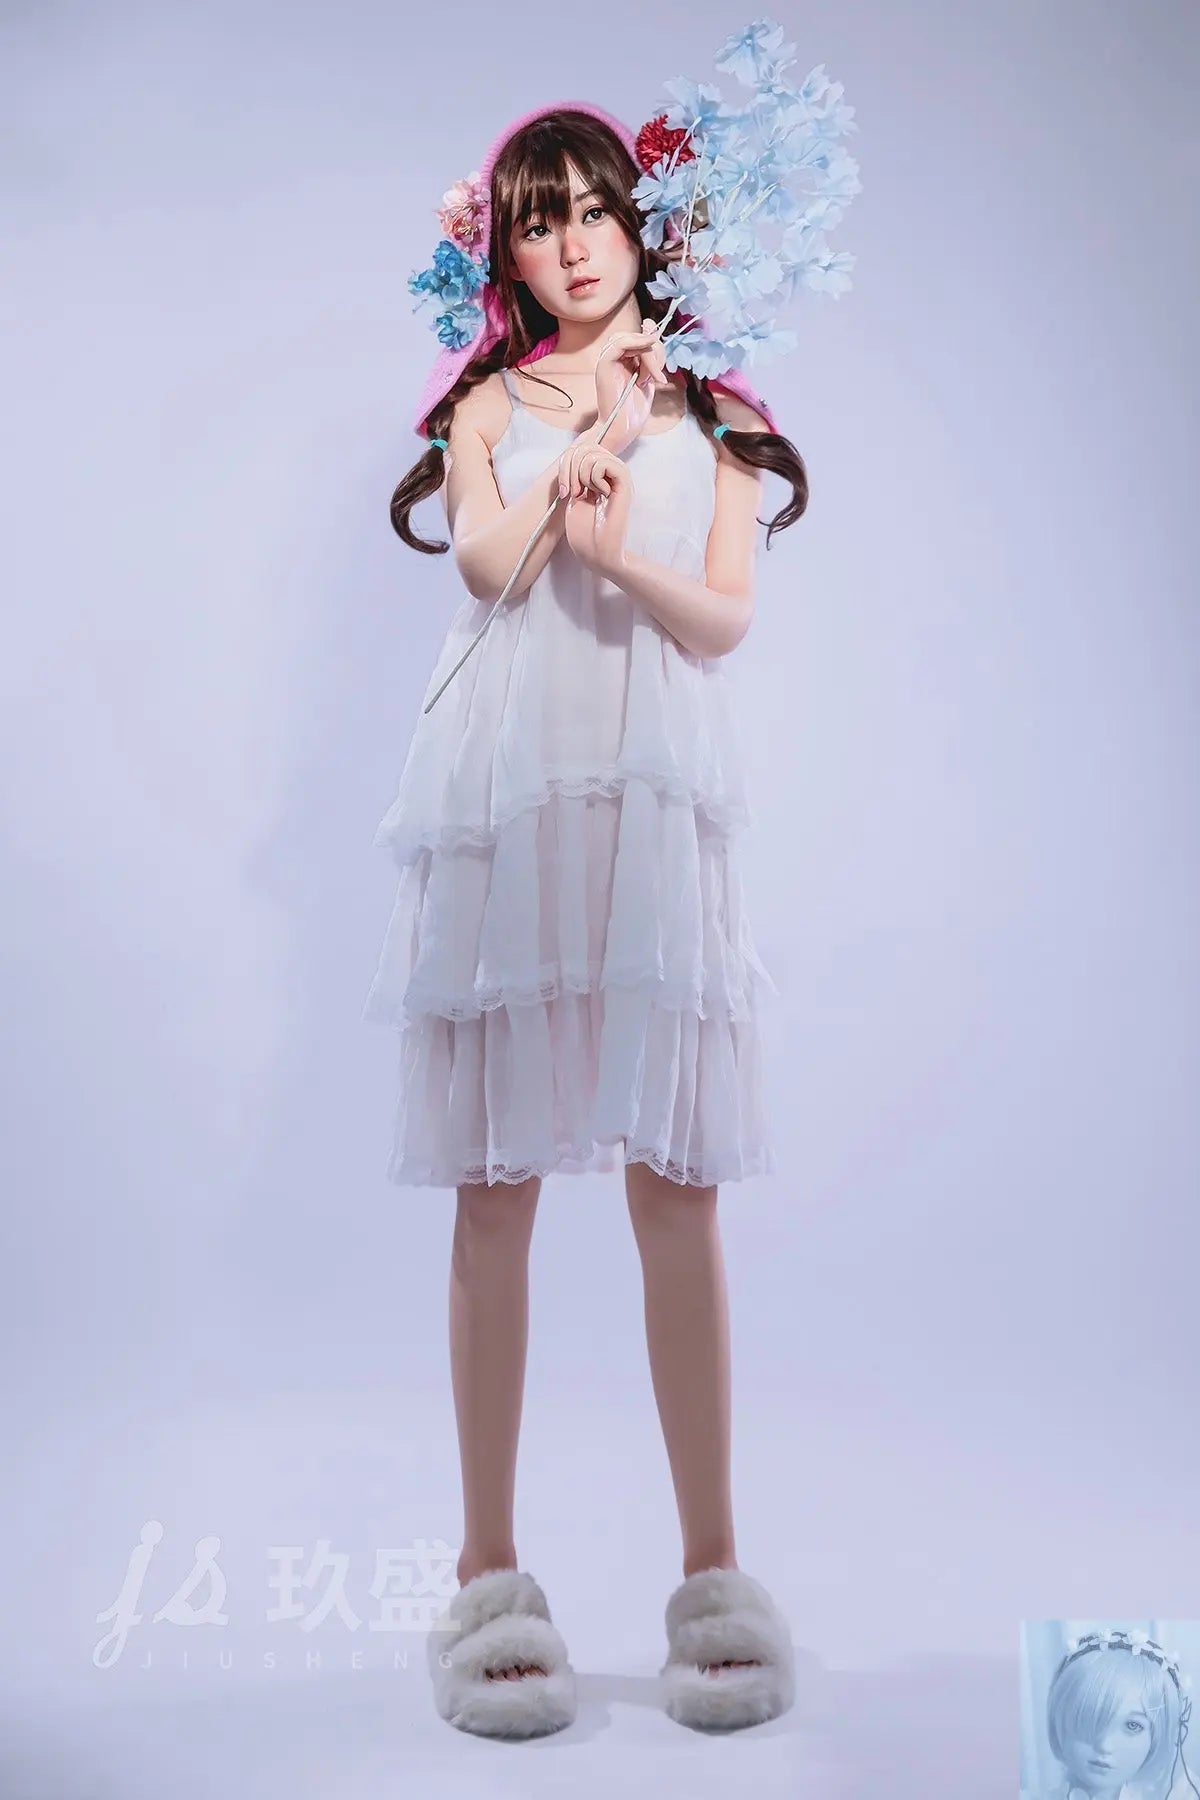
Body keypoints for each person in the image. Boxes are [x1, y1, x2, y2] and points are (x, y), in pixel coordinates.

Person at [364, 99, 809, 1739]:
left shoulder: (715, 408)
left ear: (642, 225)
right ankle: (487, 1575)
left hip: (646, 801)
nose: (570, 244)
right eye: (537, 218)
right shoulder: (488, 405)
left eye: (594, 211)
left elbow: (723, 620)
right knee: (494, 1189)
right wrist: (571, 470)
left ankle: (714, 1574)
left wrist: (622, 555)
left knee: (676, 1187)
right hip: (512, 803)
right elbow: (486, 571)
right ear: (507, 247)